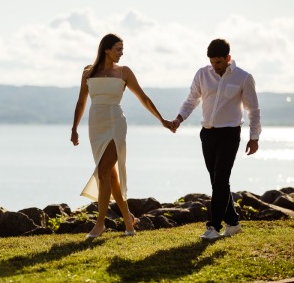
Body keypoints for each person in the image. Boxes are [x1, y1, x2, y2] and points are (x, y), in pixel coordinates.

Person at [71, 33, 174, 238]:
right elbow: (81, 101)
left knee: (102, 172)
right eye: (118, 49)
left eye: (122, 49)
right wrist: (74, 128)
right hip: (96, 125)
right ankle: (128, 218)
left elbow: (142, 97)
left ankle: (100, 224)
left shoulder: (124, 72)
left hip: (116, 123)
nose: (122, 53)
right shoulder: (88, 72)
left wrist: (162, 120)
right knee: (110, 175)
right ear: (106, 49)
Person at [172, 38, 261, 240]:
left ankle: (213, 226)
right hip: (208, 134)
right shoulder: (202, 74)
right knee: (218, 181)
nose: (215, 66)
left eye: (218, 62)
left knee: (220, 179)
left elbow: (253, 110)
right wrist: (179, 119)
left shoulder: (243, 77)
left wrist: (254, 137)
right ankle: (234, 223)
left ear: (228, 58)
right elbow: (191, 100)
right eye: (212, 62)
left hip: (230, 134)